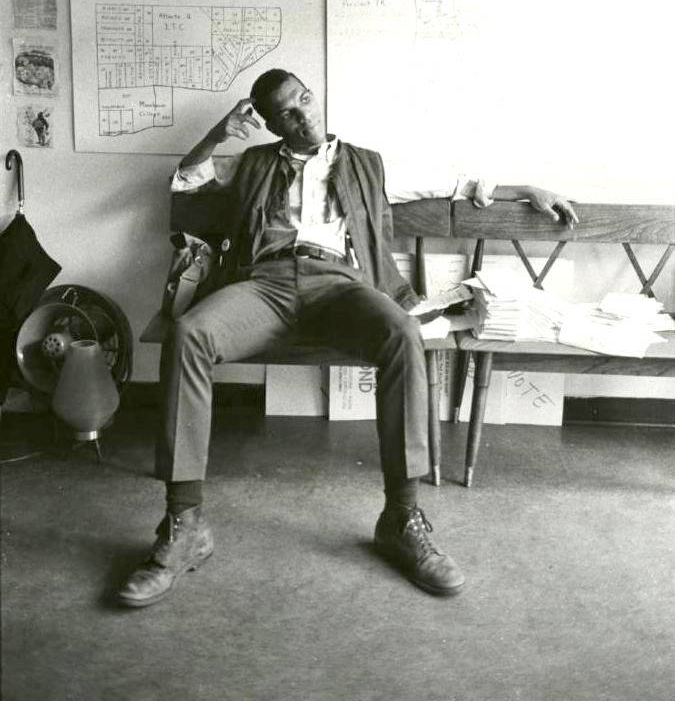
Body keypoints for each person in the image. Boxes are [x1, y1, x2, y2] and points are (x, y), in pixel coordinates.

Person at [118, 69, 577, 608]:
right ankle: (184, 522)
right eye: (287, 113)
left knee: (403, 332)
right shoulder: (252, 164)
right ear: (270, 124)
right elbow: (187, 180)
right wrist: (218, 133)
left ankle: (401, 516)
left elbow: (456, 183)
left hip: (340, 286)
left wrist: (529, 189)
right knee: (189, 333)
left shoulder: (367, 162)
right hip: (264, 285)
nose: (304, 116)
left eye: (305, 101)